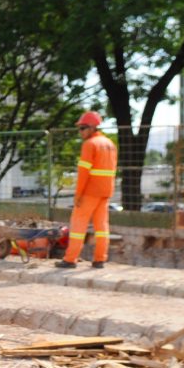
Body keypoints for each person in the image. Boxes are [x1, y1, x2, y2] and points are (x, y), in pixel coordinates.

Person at [56, 111, 117, 269]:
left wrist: (78, 194)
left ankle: (70, 259)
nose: (80, 132)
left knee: (78, 225)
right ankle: (100, 260)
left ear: (92, 127)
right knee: (102, 227)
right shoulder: (110, 144)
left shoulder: (90, 144)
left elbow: (84, 173)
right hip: (105, 192)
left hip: (90, 192)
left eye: (82, 128)